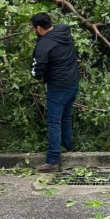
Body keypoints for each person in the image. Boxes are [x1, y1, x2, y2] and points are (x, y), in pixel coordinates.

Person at [30, 13, 80, 173]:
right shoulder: (64, 31)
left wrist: (36, 75)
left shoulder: (44, 45)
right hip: (73, 83)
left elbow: (38, 69)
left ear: (39, 28)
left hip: (58, 86)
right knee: (65, 117)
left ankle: (52, 160)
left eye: (33, 28)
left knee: (54, 122)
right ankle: (67, 148)